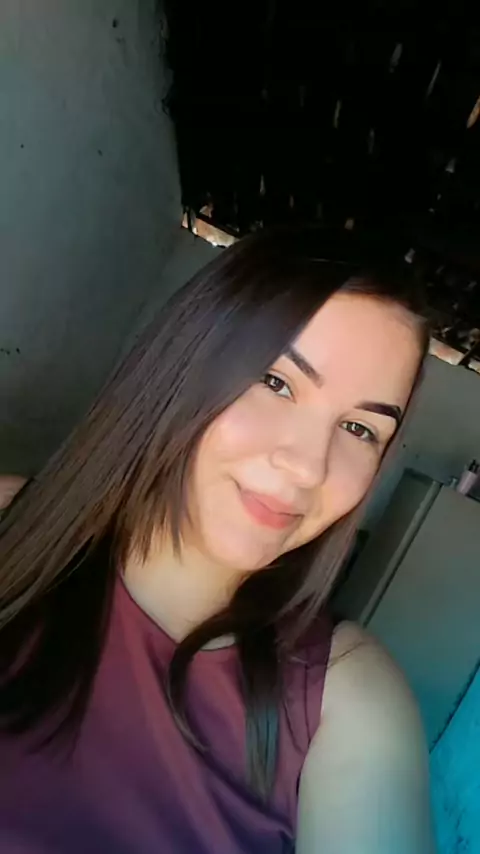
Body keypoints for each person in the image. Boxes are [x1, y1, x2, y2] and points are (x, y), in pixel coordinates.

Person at [0, 226, 436, 853]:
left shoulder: (345, 702)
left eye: (360, 429)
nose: (307, 466)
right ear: (186, 364)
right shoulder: (12, 532)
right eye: (277, 382)